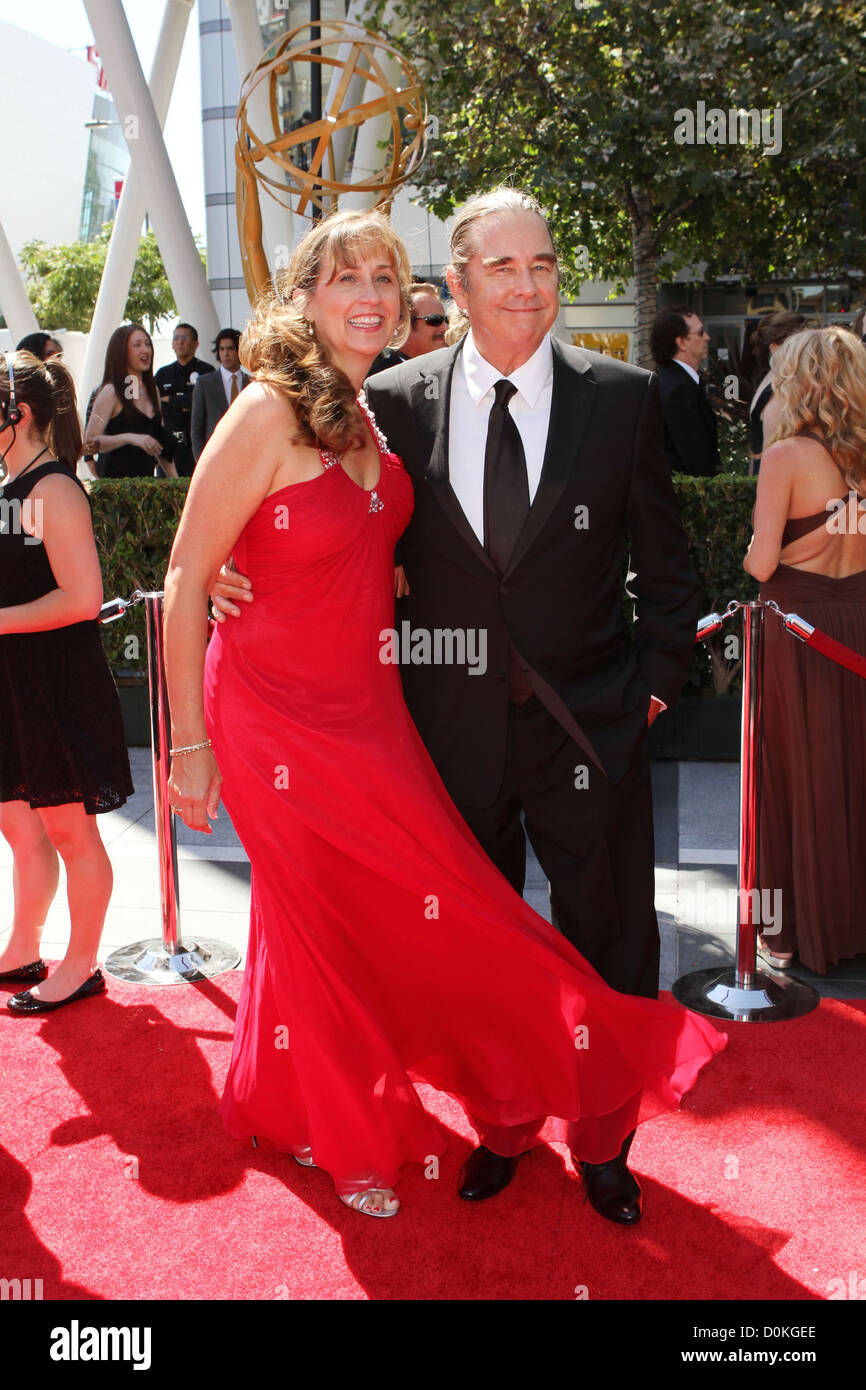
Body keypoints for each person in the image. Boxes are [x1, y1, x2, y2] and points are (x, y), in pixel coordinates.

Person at [165, 207, 724, 1223]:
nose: (524, 283)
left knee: (608, 933)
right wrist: (224, 585)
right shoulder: (390, 398)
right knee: (463, 934)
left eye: (542, 264)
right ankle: (500, 1126)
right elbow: (262, 540)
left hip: (583, 725)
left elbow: (667, 564)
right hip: (430, 727)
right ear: (456, 287)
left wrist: (650, 687)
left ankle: (605, 1141)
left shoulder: (622, 399)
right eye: (499, 266)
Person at [0, 351, 133, 1014]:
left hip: (52, 685)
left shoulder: (51, 489)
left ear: (15, 414)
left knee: (70, 832)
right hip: (14, 683)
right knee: (22, 829)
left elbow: (83, 598)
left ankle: (80, 965)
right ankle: (23, 945)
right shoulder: (10, 487)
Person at [744, 326, 866, 975]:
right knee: (854, 768)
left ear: (801, 381)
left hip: (797, 630)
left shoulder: (788, 455)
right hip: (859, 625)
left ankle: (789, 933)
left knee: (793, 776)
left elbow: (762, 564)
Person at [84, 324, 178, 479]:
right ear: (121, 352)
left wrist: (178, 487)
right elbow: (89, 443)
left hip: (144, 489)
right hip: (116, 490)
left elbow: (161, 445)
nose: (145, 349)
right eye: (137, 345)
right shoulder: (110, 392)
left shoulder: (152, 390)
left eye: (147, 344)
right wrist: (130, 438)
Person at [651, 305, 721, 476]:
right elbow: (696, 460)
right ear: (681, 342)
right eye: (700, 332)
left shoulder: (675, 379)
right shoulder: (678, 389)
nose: (707, 337)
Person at [746, 312, 806, 475]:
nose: (807, 350)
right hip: (773, 478)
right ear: (775, 348)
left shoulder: (772, 379)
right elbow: (772, 450)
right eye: (800, 343)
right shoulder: (781, 387)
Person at [154, 323, 215, 477]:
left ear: (196, 344)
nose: (179, 341)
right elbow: (155, 405)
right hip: (170, 445)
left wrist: (170, 400)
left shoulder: (206, 371)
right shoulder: (163, 373)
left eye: (184, 338)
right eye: (176, 338)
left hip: (198, 444)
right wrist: (181, 404)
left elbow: (200, 404)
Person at [189, 329, 250, 463]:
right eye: (221, 349)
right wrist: (200, 462)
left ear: (239, 350)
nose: (225, 354)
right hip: (214, 458)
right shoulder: (205, 383)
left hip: (247, 456)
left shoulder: (251, 383)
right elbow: (196, 427)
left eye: (230, 348)